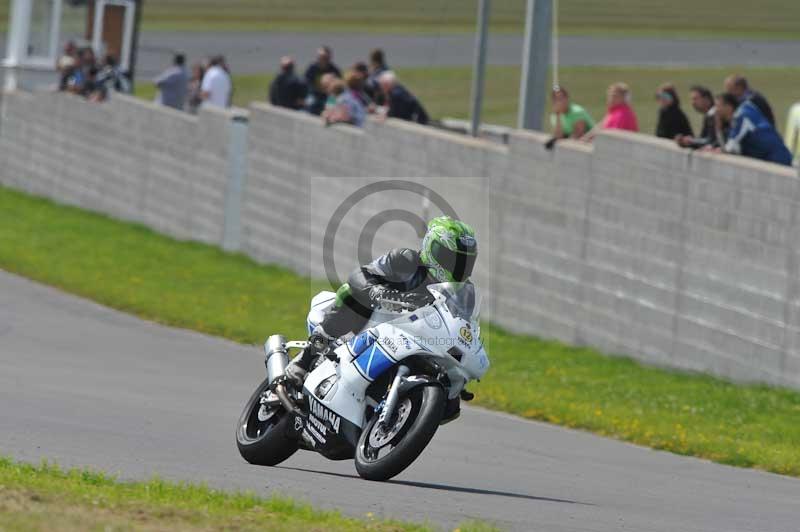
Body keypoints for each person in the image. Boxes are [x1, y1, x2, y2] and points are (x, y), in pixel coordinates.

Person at [285, 216, 478, 421]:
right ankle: (307, 357)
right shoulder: (405, 260)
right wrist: (376, 291)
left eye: (464, 261)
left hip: (418, 339)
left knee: (450, 407)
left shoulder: (465, 293)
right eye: (451, 258)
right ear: (432, 247)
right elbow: (361, 275)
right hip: (375, 324)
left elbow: (462, 325)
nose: (458, 267)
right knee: (351, 294)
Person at [715, 92, 792, 166]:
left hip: (777, 159)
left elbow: (730, 147)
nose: (716, 110)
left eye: (718, 106)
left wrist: (718, 130)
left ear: (729, 107)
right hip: (770, 158)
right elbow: (734, 149)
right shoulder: (741, 114)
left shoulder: (742, 116)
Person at [676, 85, 722, 149]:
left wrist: (690, 141)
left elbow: (711, 141)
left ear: (706, 99)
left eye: (695, 99)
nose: (693, 103)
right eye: (692, 99)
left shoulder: (713, 114)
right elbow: (704, 139)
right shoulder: (708, 114)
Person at [304, 46, 342, 115]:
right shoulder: (312, 68)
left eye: (325, 58)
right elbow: (307, 83)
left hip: (330, 96)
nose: (322, 59)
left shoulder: (334, 70)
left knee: (332, 106)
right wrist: (318, 90)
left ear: (329, 58)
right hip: (314, 94)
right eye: (320, 57)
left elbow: (339, 85)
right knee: (310, 103)